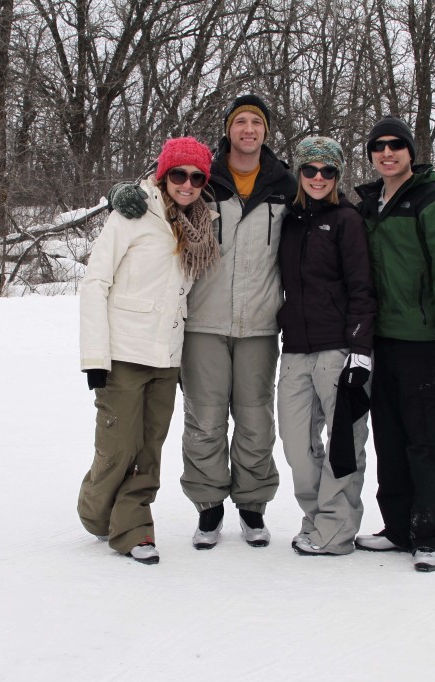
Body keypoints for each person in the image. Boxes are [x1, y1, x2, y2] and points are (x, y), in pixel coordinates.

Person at [109, 95, 296, 549]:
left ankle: (252, 508)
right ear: (229, 130)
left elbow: (324, 204)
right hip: (203, 323)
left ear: (265, 131)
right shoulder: (204, 179)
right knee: (205, 420)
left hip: (260, 324)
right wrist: (122, 194)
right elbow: (160, 192)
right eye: (240, 122)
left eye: (256, 122)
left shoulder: (284, 185)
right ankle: (209, 508)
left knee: (255, 421)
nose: (248, 129)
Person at [78, 137, 220, 565]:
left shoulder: (201, 226)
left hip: (167, 357)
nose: (188, 184)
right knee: (118, 447)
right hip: (123, 353)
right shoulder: (132, 214)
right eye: (179, 174)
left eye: (197, 177)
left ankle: (133, 531)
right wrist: (94, 359)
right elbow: (95, 284)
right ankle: (96, 510)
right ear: (163, 176)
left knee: (148, 451)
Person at [352, 116, 435, 572]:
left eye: (396, 146)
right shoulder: (370, 204)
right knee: (391, 440)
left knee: (428, 442)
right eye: (378, 147)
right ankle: (399, 527)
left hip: (425, 344)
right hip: (382, 342)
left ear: (411, 152)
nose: (387, 153)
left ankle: (432, 534)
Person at [276, 136, 376, 556]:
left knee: (342, 443)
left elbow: (363, 288)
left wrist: (359, 349)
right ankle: (316, 517)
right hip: (296, 347)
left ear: (338, 175)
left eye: (328, 171)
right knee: (297, 444)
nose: (319, 178)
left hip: (339, 348)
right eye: (310, 170)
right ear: (299, 173)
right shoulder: (289, 219)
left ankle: (336, 530)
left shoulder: (347, 220)